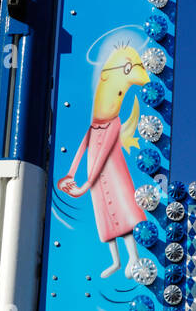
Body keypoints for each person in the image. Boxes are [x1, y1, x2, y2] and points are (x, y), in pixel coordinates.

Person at [57, 44, 149, 278]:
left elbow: (104, 153)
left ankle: (134, 258)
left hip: (111, 172)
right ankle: (115, 261)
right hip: (94, 174)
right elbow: (82, 147)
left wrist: (87, 183)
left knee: (121, 210)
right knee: (104, 215)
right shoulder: (95, 123)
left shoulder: (114, 124)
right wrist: (70, 172)